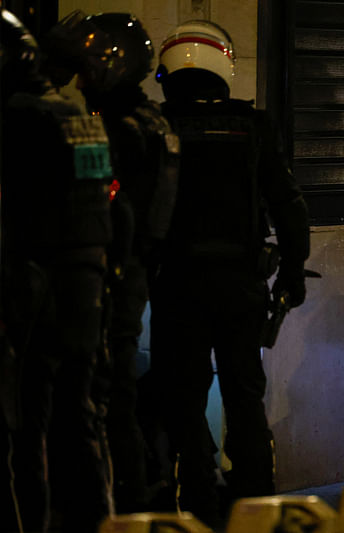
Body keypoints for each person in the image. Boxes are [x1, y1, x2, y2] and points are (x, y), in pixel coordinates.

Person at [148, 20, 310, 526]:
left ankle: (196, 502)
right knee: (244, 397)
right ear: (224, 68)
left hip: (176, 289)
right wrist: (293, 274)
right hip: (242, 289)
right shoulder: (254, 127)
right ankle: (254, 505)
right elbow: (289, 206)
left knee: (184, 398)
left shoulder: (154, 125)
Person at [42, 11, 180, 513]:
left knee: (108, 395)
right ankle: (150, 493)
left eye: (87, 68)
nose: (82, 80)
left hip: (115, 278)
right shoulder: (154, 122)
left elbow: (109, 208)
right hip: (137, 273)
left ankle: (125, 503)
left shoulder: (120, 130)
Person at [1, 8, 113, 531]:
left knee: (26, 424)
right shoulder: (77, 118)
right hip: (84, 285)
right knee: (79, 415)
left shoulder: (21, 117)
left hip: (35, 286)